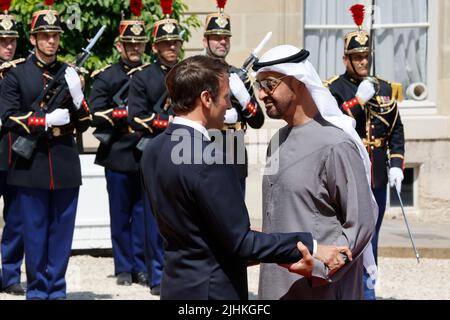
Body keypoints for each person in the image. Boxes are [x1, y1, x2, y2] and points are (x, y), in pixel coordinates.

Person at [140, 54, 352, 300]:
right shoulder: (212, 158)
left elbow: (195, 227)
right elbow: (242, 243)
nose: (230, 106)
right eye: (226, 97)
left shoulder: (153, 150)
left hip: (176, 287)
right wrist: (313, 247)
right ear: (206, 99)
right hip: (213, 292)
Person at [253, 45, 377, 300]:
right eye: (259, 86)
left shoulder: (336, 145)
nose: (262, 95)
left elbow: (361, 225)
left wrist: (320, 267)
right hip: (275, 287)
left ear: (298, 81)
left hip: (319, 290)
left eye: (270, 84)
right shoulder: (276, 140)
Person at [0, 1, 91, 300]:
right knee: (35, 233)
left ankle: (57, 290)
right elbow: (9, 117)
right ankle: (38, 290)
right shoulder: (16, 75)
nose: (51, 40)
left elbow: (86, 121)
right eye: (45, 35)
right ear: (33, 39)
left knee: (62, 234)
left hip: (64, 161)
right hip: (31, 163)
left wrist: (78, 96)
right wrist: (43, 121)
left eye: (55, 35)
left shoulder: (70, 73)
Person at [324, 5, 405, 300]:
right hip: (347, 172)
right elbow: (333, 124)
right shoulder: (334, 89)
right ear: (346, 58)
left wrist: (396, 164)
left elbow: (396, 129)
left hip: (377, 174)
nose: (362, 61)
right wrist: (357, 102)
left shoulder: (384, 88)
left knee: (373, 235)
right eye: (356, 57)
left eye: (366, 56)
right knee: (348, 234)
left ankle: (368, 289)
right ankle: (345, 288)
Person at [89, 0, 150, 288]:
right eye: (130, 44)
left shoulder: (151, 75)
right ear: (119, 46)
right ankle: (123, 266)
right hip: (118, 149)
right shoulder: (107, 76)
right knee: (120, 212)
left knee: (143, 214)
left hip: (145, 149)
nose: (135, 49)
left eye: (139, 44)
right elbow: (95, 110)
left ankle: (141, 265)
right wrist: (121, 113)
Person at [127, 0, 181, 296]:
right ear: (156, 47)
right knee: (153, 216)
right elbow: (136, 117)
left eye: (175, 42)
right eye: (166, 43)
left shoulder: (186, 72)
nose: (172, 47)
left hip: (184, 152)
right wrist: (167, 122)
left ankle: (176, 273)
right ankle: (157, 274)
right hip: (155, 152)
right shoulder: (143, 77)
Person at [203, 0, 264, 196]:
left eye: (226, 37)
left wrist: (245, 100)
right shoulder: (196, 74)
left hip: (234, 149)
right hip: (205, 148)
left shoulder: (239, 76)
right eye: (216, 37)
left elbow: (257, 121)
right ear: (205, 41)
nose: (222, 42)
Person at [0, 2, 25, 296]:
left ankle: (10, 275)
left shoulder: (24, 72)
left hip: (16, 153)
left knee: (17, 219)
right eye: (3, 41)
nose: (7, 46)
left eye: (11, 41)